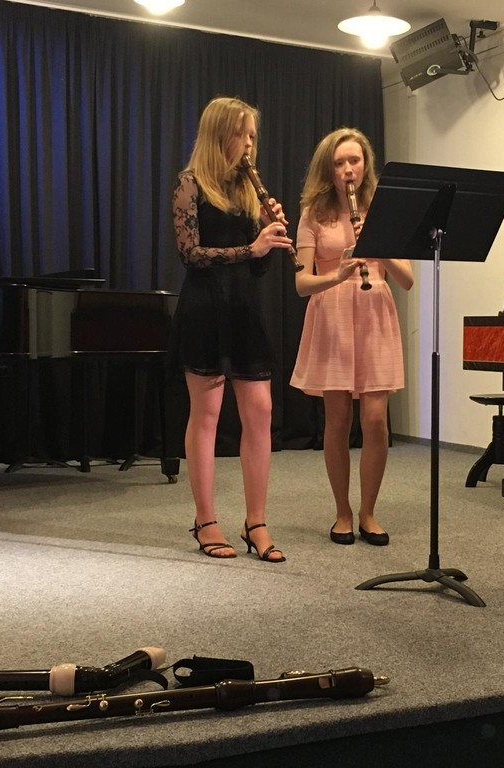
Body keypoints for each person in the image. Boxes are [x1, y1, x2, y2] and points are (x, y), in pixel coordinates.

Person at [168, 97, 292, 563]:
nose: (249, 144)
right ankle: (206, 520)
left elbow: (257, 270)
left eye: (253, 136)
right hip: (204, 310)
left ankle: (255, 521)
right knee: (207, 415)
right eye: (242, 134)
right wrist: (250, 248)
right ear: (221, 134)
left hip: (244, 311)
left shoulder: (248, 193)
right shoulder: (189, 184)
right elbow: (191, 255)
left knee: (260, 411)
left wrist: (267, 238)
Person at [290, 128, 413, 546]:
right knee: (338, 420)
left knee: (375, 420)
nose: (347, 169)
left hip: (375, 312)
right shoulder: (313, 213)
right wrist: (336, 275)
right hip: (333, 313)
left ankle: (368, 512)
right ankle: (342, 512)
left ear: (366, 164)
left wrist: (379, 248)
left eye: (354, 161)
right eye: (339, 162)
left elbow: (407, 279)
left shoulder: (385, 210)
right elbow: (302, 284)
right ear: (329, 169)